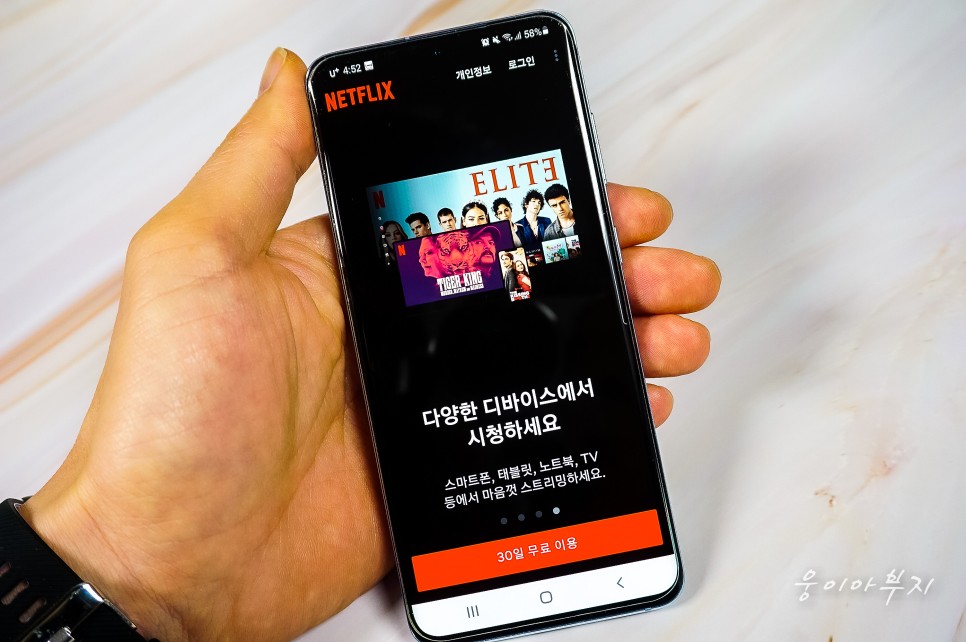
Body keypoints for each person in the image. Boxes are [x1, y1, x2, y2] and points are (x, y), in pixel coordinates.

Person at [8, 49, 720, 642]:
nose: (477, 224)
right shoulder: (424, 257)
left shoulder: (528, 246)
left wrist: (123, 568)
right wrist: (121, 563)